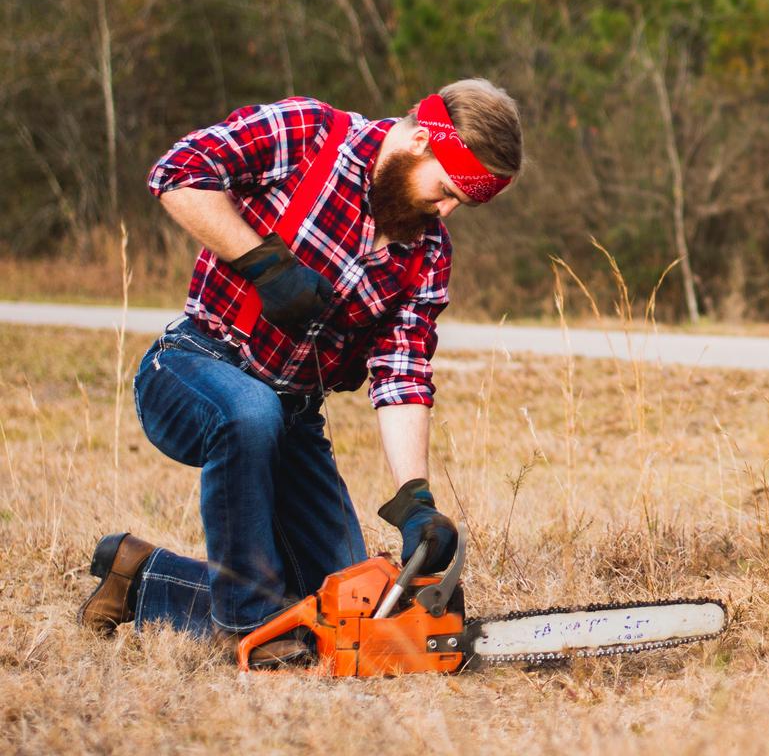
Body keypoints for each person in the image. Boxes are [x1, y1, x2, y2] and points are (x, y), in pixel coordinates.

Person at [77, 79, 522, 665]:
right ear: (420, 139)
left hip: (293, 418)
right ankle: (248, 630)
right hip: (193, 365)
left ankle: (139, 576)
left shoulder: (428, 253)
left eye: (461, 204)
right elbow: (176, 172)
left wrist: (414, 499)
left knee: (353, 618)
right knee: (248, 413)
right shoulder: (309, 134)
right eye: (444, 191)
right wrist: (261, 261)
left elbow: (403, 371)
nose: (444, 211)